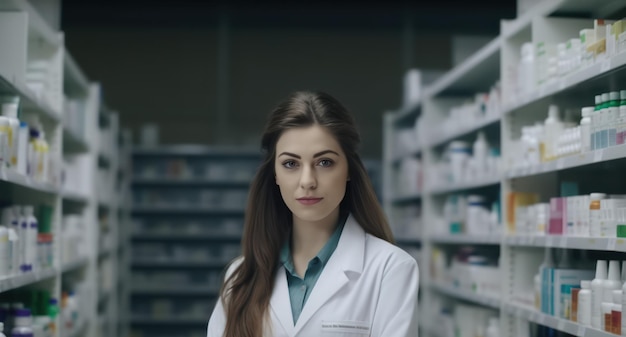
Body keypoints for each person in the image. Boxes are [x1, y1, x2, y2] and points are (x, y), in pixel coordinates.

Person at [206, 91, 419, 337]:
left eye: (325, 162)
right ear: (274, 174)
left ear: (349, 169)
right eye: (290, 164)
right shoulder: (240, 276)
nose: (307, 181)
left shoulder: (390, 269)